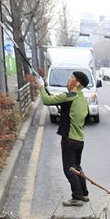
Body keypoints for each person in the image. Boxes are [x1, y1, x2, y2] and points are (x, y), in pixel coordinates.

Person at [37, 69, 91, 206]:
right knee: (77, 166)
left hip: (69, 139)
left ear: (77, 83)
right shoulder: (83, 100)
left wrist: (41, 87)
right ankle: (84, 194)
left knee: (69, 169)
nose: (68, 80)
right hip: (79, 140)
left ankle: (77, 197)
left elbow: (46, 100)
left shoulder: (69, 96)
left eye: (70, 78)